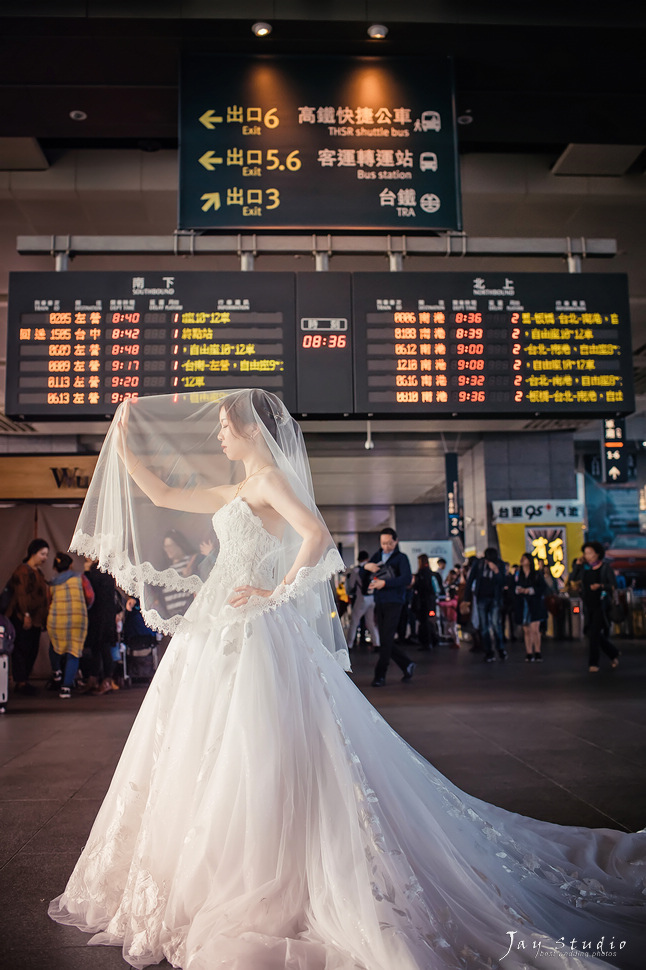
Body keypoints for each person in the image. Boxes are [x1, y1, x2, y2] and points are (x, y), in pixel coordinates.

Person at [49, 390, 646, 970]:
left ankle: (262, 866)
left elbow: (315, 537)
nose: (220, 434)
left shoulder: (269, 481)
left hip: (253, 626)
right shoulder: (239, 486)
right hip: (218, 625)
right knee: (208, 743)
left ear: (254, 430)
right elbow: (162, 490)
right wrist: (125, 447)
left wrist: (275, 593)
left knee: (257, 746)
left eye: (227, 426)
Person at [364, 528, 416, 686]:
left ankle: (380, 675)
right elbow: (363, 573)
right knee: (386, 639)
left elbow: (407, 578)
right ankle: (407, 664)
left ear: (396, 541)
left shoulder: (401, 558)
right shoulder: (377, 556)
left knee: (386, 639)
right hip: (379, 601)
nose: (386, 546)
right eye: (383, 543)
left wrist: (385, 583)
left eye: (389, 543)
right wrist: (366, 567)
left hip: (395, 601)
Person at [47, 552, 95, 699]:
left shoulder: (52, 582)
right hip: (77, 620)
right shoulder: (80, 578)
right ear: (71, 565)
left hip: (56, 619)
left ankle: (56, 671)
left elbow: (48, 601)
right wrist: (83, 608)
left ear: (55, 567)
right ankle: (66, 688)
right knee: (74, 652)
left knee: (54, 646)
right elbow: (90, 596)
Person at [7, 538, 51, 695]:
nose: (45, 558)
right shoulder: (23, 571)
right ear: (33, 553)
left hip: (36, 619)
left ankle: (24, 680)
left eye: (46, 554)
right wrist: (25, 614)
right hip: (23, 617)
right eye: (42, 554)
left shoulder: (38, 572)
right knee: (22, 649)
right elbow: (21, 594)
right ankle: (21, 681)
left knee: (32, 648)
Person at [578, 541, 620, 673]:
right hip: (588, 605)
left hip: (601, 605)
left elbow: (613, 585)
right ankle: (613, 652)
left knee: (595, 633)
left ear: (597, 554)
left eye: (589, 552)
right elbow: (574, 578)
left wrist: (600, 586)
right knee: (589, 632)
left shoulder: (605, 568)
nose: (587, 555)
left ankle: (593, 663)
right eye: (585, 553)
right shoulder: (585, 568)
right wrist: (578, 566)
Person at [82, 558, 122, 695]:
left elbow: (92, 590)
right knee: (96, 648)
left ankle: (106, 681)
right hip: (97, 614)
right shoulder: (101, 570)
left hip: (103, 615)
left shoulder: (102, 570)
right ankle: (94, 679)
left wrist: (87, 572)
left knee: (104, 648)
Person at [465, 547, 507, 662]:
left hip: (494, 598)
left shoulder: (500, 565)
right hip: (481, 597)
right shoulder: (479, 564)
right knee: (484, 626)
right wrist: (466, 598)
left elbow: (503, 582)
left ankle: (500, 648)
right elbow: (470, 580)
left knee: (496, 625)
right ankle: (488, 651)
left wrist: (496, 571)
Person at [514, 554, 548, 663]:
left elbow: (543, 587)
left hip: (535, 603)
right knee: (526, 630)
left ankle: (537, 651)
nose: (522, 560)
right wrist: (518, 590)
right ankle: (529, 652)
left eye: (524, 558)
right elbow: (513, 586)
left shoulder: (536, 574)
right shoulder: (518, 574)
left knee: (535, 629)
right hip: (523, 604)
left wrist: (530, 590)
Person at [344, 550, 380, 651]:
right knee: (371, 622)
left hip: (361, 599)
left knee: (354, 622)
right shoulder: (372, 569)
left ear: (358, 559)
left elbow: (351, 585)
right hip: (372, 598)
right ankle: (377, 643)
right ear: (367, 558)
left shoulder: (356, 570)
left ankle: (349, 644)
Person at [412, 553, 439, 651]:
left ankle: (427, 642)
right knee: (430, 621)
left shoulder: (421, 574)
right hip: (431, 602)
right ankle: (432, 640)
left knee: (424, 622)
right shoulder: (431, 573)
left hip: (423, 603)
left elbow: (420, 588)